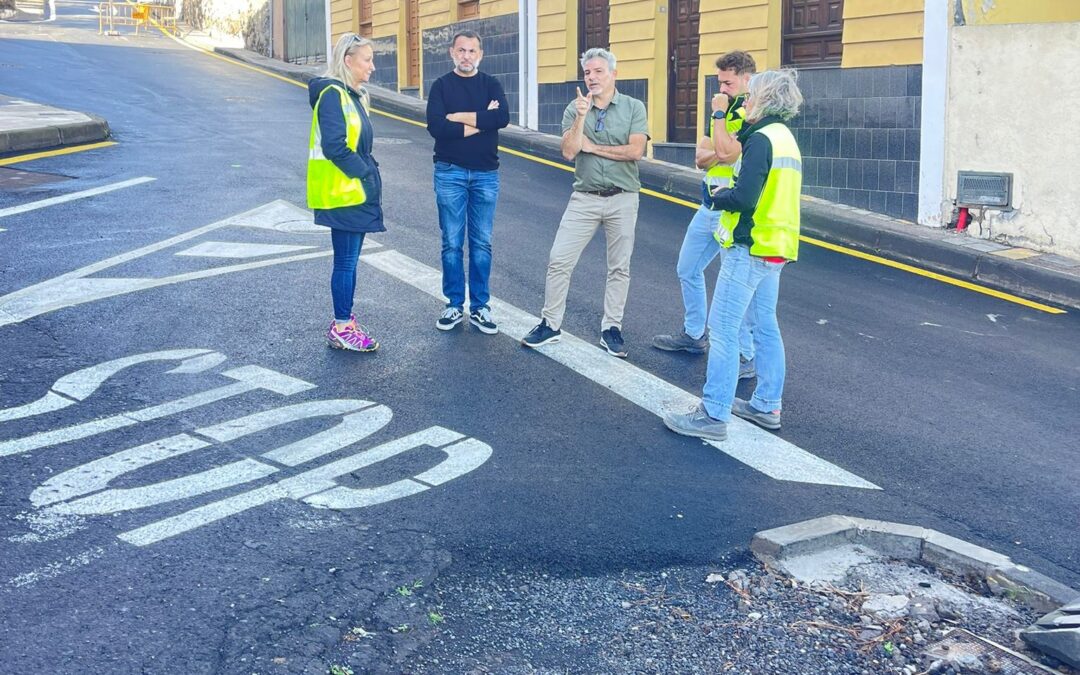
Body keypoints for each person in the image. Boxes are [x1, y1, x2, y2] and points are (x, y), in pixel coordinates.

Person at [663, 69, 804, 441]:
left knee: (723, 330)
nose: (746, 99)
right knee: (766, 326)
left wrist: (717, 196)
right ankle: (766, 405)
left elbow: (744, 197)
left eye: (751, 94)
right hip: (776, 247)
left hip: (749, 245)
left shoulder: (760, 139)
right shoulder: (785, 137)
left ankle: (712, 414)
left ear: (765, 98)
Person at [521, 48, 648, 358]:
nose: (591, 77)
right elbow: (568, 151)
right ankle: (550, 324)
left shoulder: (634, 107)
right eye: (587, 73)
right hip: (584, 198)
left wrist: (592, 147)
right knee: (559, 259)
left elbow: (635, 151)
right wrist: (580, 118)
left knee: (619, 267)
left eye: (598, 71)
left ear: (613, 74)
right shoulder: (573, 108)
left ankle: (611, 328)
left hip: (623, 198)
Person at [653, 50, 756, 381]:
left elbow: (725, 152)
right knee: (687, 268)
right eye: (720, 82)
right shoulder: (720, 111)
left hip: (733, 212)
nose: (722, 88)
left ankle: (745, 355)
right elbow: (700, 158)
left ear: (746, 79)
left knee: (732, 289)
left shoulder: (751, 111)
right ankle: (694, 335)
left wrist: (719, 144)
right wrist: (719, 141)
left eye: (728, 82)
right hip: (708, 205)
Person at [425, 31, 511, 334]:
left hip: (486, 173)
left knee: (481, 243)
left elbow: (502, 118)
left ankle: (479, 308)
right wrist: (480, 121)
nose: (466, 56)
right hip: (450, 172)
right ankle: (453, 304)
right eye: (461, 50)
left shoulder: (491, 84)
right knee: (451, 242)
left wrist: (459, 117)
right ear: (451, 53)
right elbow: (437, 127)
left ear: (481, 54)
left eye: (472, 50)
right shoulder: (441, 86)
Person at [308, 33, 384, 352]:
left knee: (349, 262)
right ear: (348, 61)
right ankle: (341, 327)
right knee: (345, 262)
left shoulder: (353, 95)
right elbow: (335, 146)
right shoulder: (331, 94)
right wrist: (365, 173)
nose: (373, 66)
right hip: (344, 194)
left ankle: (345, 321)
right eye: (367, 60)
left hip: (354, 193)